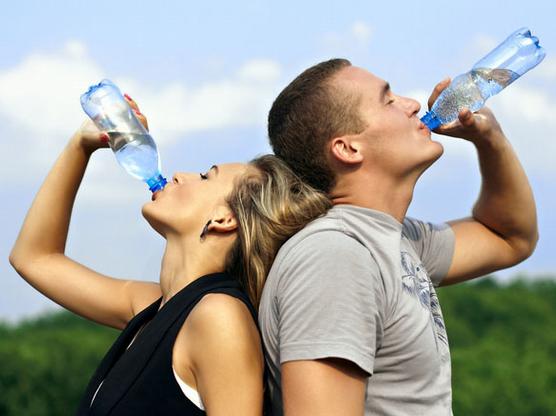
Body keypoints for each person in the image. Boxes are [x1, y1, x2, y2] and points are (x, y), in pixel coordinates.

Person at [8, 97, 331, 415]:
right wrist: (81, 146)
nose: (179, 174)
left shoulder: (219, 317)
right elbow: (34, 258)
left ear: (223, 219)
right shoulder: (152, 307)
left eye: (206, 176)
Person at [258, 58, 539, 415]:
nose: (414, 105)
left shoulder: (395, 239)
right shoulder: (335, 256)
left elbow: (510, 237)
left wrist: (490, 139)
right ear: (347, 149)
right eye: (388, 100)